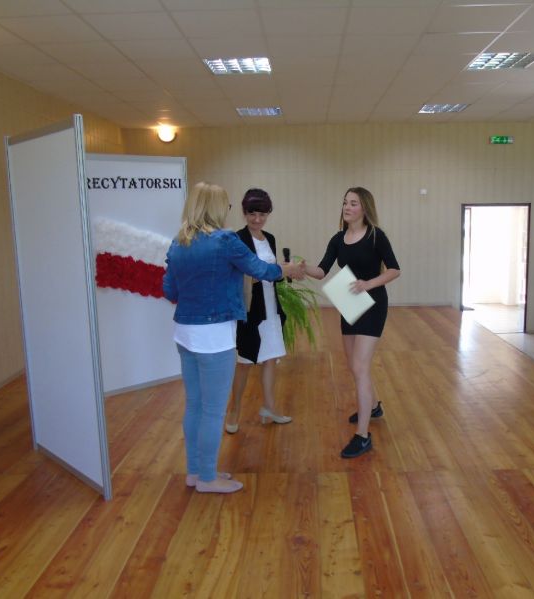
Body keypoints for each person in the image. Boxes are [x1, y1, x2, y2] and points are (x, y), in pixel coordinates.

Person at [162, 182, 305, 493]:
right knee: (213, 410)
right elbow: (262, 270)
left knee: (195, 405)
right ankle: (208, 479)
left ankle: (196, 472)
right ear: (216, 208)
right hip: (215, 337)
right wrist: (288, 269)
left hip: (185, 334)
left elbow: (169, 290)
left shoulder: (178, 242)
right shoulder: (225, 240)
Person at [303, 187, 400, 458]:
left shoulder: (376, 236)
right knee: (355, 366)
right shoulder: (338, 239)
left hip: (373, 305)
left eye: (353, 203)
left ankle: (363, 436)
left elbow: (394, 269)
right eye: (345, 202)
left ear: (364, 208)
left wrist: (369, 283)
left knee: (359, 366)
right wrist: (302, 268)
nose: (347, 207)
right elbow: (321, 270)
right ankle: (374, 407)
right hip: (349, 304)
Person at [225, 188, 292, 434]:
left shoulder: (270, 238)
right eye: (252, 214)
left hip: (270, 307)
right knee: (244, 361)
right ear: (244, 213)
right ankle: (234, 410)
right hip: (250, 309)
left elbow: (273, 274)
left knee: (270, 358)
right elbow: (237, 275)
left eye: (262, 214)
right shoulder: (237, 239)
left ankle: (269, 408)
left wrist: (285, 271)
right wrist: (267, 272)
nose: (257, 219)